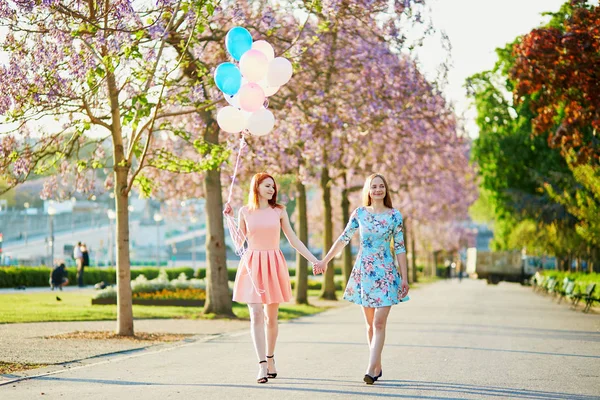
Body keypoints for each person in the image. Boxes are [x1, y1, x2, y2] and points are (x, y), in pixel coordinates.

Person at [223, 172, 319, 384]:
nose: (271, 189)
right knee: (256, 314)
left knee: (271, 318)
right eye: (267, 185)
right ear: (256, 187)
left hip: (273, 263)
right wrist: (229, 218)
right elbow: (239, 243)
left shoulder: (279, 211)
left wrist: (314, 260)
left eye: (273, 187)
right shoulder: (245, 211)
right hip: (252, 264)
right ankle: (261, 366)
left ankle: (271, 357)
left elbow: (293, 240)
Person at [314, 173, 409, 385]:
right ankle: (377, 365)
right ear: (367, 190)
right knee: (369, 326)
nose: (377, 190)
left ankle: (369, 369)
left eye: (381, 186)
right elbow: (343, 239)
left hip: (385, 273)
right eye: (373, 186)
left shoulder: (395, 216)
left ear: (386, 190)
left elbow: (400, 248)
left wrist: (404, 277)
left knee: (379, 322)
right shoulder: (360, 214)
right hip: (365, 272)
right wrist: (325, 260)